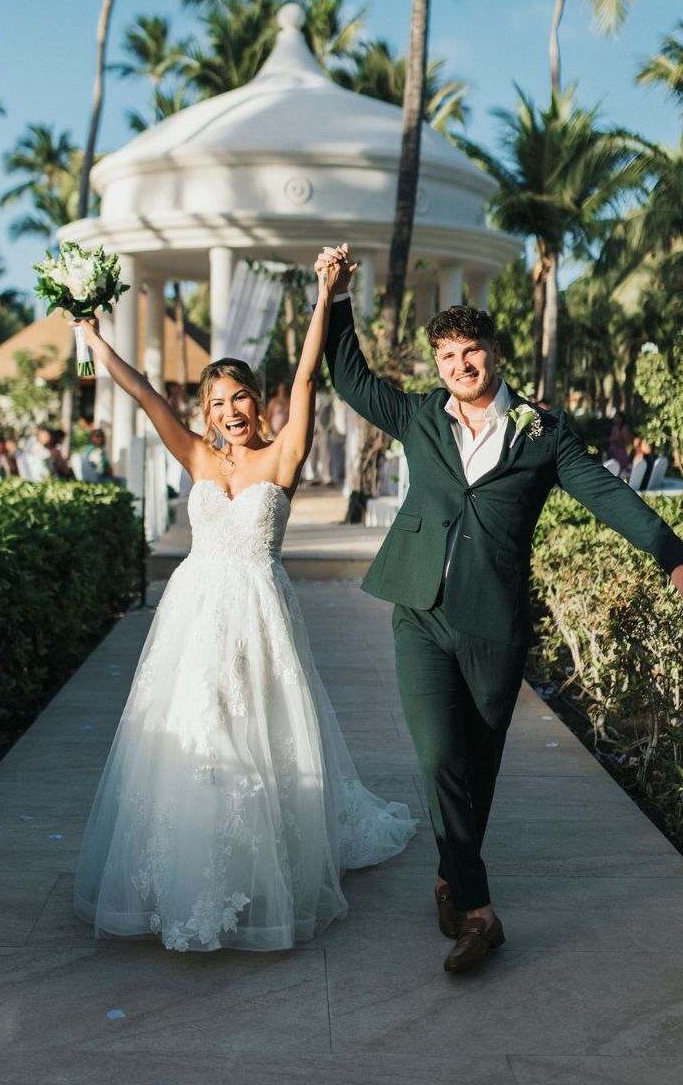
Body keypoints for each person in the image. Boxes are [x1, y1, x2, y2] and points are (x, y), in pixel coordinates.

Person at [316, 241, 683, 975]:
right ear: (435, 365)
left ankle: (449, 879)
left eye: (471, 352)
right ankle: (481, 914)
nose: (460, 366)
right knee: (438, 757)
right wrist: (337, 298)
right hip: (420, 611)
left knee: (479, 766)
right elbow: (349, 377)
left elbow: (609, 494)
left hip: (494, 622)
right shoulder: (419, 416)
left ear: (495, 352)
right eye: (447, 356)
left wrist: (672, 553)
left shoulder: (543, 431)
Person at [70, 266, 417, 951]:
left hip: (258, 614)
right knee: (195, 740)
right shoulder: (198, 456)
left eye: (242, 398)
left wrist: (326, 298)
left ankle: (263, 865)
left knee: (259, 736)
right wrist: (94, 339)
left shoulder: (284, 454)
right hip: (194, 615)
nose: (232, 411)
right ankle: (187, 868)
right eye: (219, 402)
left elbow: (311, 375)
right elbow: (142, 394)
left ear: (260, 404)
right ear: (207, 413)